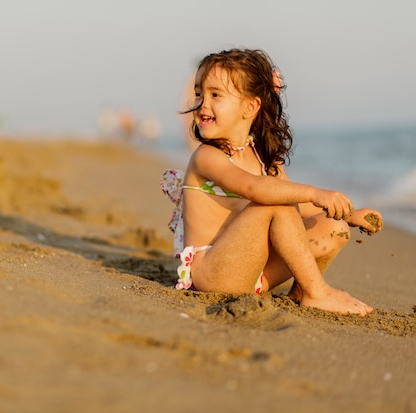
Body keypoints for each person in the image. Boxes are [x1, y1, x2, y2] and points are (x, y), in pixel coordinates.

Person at [161, 48, 383, 316]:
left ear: (250, 107)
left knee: (334, 228)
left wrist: (348, 215)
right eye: (199, 93)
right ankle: (317, 291)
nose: (203, 103)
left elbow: (299, 205)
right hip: (214, 274)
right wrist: (314, 191)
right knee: (273, 201)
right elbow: (255, 189)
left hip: (253, 274)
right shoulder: (208, 157)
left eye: (215, 95)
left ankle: (302, 289)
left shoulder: (262, 156)